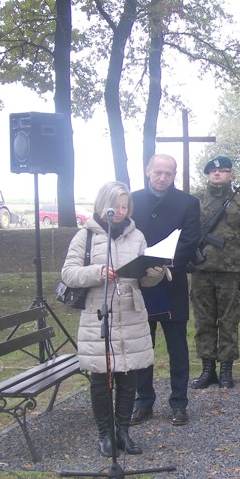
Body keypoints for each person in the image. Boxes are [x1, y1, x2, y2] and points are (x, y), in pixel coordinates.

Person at [61, 181, 166, 456]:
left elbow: (144, 278)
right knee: (100, 379)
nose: (121, 211)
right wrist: (97, 272)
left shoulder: (137, 235)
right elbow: (69, 273)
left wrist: (155, 272)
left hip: (131, 313)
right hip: (98, 315)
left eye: (125, 206)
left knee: (128, 377)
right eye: (116, 206)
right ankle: (105, 435)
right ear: (103, 205)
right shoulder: (85, 236)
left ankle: (123, 431)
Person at [130, 154, 202, 427]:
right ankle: (143, 402)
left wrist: (163, 267)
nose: (162, 178)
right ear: (148, 170)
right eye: (158, 172)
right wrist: (140, 269)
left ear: (174, 175)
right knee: (142, 346)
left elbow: (190, 240)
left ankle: (179, 403)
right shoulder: (133, 200)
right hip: (139, 284)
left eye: (168, 174)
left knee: (177, 348)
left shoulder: (188, 203)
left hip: (172, 282)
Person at [189, 155, 240, 389]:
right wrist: (185, 258)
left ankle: (226, 370)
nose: (217, 174)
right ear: (208, 175)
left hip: (230, 274)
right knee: (204, 322)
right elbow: (185, 234)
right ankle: (207, 369)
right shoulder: (196, 202)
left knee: (229, 322)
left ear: (231, 175)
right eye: (213, 171)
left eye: (222, 171)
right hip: (201, 273)